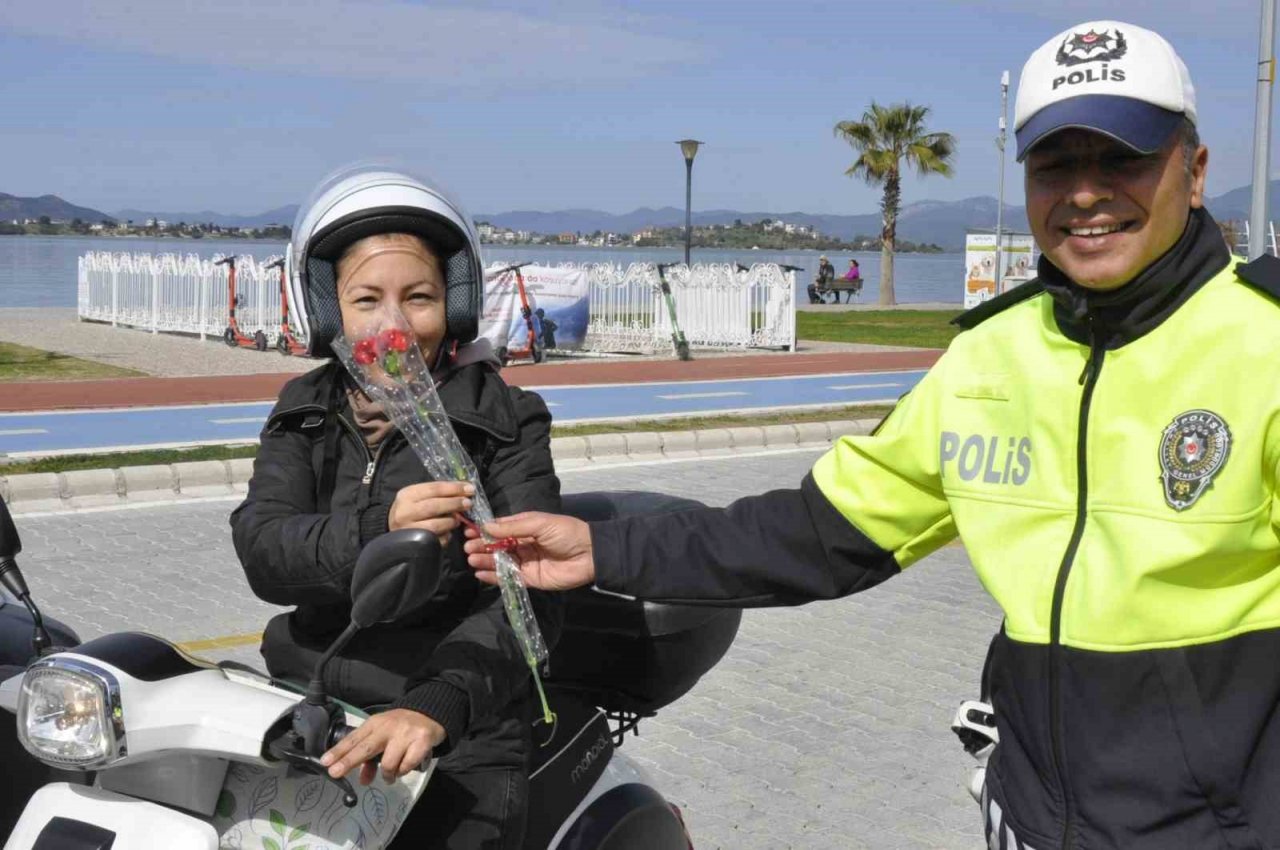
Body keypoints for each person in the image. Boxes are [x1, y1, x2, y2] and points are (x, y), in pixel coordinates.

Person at [465, 21, 1280, 849]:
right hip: (1031, 822)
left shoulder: (1266, 344)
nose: (1085, 193)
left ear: (1196, 172)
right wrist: (602, 549)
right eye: (1055, 164)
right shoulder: (990, 354)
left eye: (1122, 158)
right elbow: (816, 532)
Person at [230, 165, 562, 849]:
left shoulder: (504, 420)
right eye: (366, 300)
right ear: (328, 311)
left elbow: (529, 596)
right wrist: (376, 530)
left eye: (419, 298)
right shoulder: (303, 411)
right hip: (310, 700)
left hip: (456, 726)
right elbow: (264, 551)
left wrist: (436, 707)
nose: (395, 325)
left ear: (454, 305)